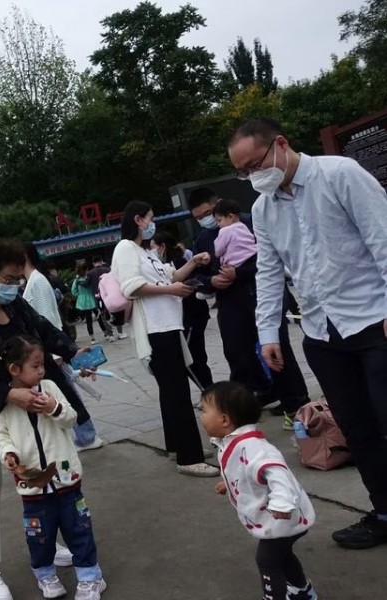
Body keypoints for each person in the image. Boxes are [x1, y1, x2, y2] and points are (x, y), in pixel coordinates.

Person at [228, 116, 387, 550]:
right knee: (357, 428)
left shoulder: (340, 176)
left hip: (374, 320)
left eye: (254, 164)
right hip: (322, 331)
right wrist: (267, 333)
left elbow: (383, 238)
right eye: (242, 172)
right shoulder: (263, 209)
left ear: (280, 144)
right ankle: (383, 511)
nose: (251, 177)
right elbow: (269, 272)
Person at [0, 238, 97, 600]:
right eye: (10, 279)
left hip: (29, 412)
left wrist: (75, 353)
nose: (15, 286)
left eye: (18, 280)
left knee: (42, 476)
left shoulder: (17, 307)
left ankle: (48, 540)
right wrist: (7, 394)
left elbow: (44, 332)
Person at [0, 335, 106, 600]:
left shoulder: (51, 388)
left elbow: (71, 418)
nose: (41, 370)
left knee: (79, 528)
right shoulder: (4, 403)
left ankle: (90, 577)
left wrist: (54, 408)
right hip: (33, 487)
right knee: (39, 535)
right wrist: (8, 453)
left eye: (42, 364)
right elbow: (0, 435)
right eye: (35, 366)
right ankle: (45, 574)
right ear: (14, 370)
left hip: (66, 480)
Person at [110, 201, 219, 477]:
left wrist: (192, 262)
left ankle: (177, 446)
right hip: (155, 330)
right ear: (138, 220)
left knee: (171, 391)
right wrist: (171, 289)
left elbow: (169, 275)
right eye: (151, 218)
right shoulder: (125, 248)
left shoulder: (146, 252)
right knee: (177, 393)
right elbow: (132, 286)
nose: (153, 223)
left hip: (169, 327)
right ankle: (189, 456)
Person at [187, 187, 309, 423]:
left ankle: (297, 405)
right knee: (237, 353)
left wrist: (239, 273)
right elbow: (198, 276)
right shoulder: (204, 238)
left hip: (260, 295)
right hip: (229, 301)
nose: (208, 220)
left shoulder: (251, 223)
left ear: (221, 205)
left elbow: (272, 261)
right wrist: (211, 281)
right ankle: (254, 397)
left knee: (276, 347)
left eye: (210, 213)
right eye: (199, 217)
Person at [200, 381, 317, 600]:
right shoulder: (232, 441)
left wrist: (281, 505)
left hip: (282, 516)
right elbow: (246, 470)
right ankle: (303, 591)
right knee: (282, 556)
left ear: (224, 420)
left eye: (204, 411)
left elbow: (278, 475)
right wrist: (229, 481)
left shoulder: (254, 447)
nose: (201, 416)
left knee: (267, 561)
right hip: (276, 518)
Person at [23, 242, 105, 451]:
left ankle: (86, 435)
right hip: (48, 350)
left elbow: (46, 319)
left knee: (67, 392)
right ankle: (85, 434)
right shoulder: (34, 280)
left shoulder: (37, 282)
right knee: (66, 391)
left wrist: (54, 352)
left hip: (49, 351)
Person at [151, 232, 213, 390]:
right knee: (194, 356)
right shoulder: (170, 263)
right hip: (187, 316)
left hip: (191, 315)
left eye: (153, 248)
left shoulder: (176, 263)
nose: (152, 253)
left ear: (163, 247)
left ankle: (209, 393)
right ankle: (209, 392)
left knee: (192, 357)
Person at [85, 256, 125, 341]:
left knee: (103, 315)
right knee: (115, 312)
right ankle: (120, 333)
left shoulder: (90, 273)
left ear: (93, 263)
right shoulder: (108, 270)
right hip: (110, 294)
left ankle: (110, 335)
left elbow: (86, 284)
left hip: (98, 297)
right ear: (101, 261)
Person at [212, 198, 257, 268]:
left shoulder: (224, 231)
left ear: (230, 217)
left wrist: (216, 254)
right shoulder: (243, 226)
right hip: (252, 257)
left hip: (235, 263)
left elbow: (219, 249)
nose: (218, 224)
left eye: (219, 220)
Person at [71, 265, 99, 342]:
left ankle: (92, 338)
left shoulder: (77, 280)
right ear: (86, 269)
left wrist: (80, 295)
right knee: (99, 316)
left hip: (83, 301)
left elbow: (73, 291)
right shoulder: (89, 278)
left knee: (88, 320)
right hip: (92, 298)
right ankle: (107, 333)